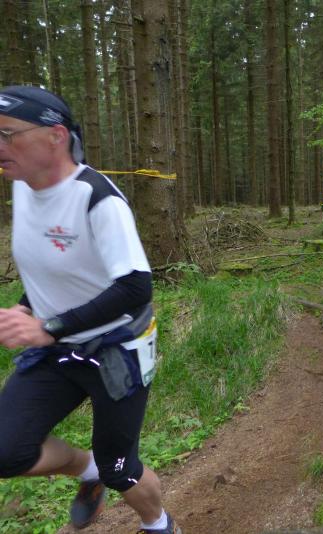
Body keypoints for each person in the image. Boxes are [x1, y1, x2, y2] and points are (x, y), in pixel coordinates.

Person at [0, 85, 180, 533]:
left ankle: (159, 524)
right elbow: (58, 267)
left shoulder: (98, 199)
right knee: (5, 451)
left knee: (121, 467)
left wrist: (50, 326)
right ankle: (88, 469)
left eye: (7, 134)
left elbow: (135, 286)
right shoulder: (23, 187)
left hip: (116, 349)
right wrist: (26, 309)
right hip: (58, 347)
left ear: (55, 136)